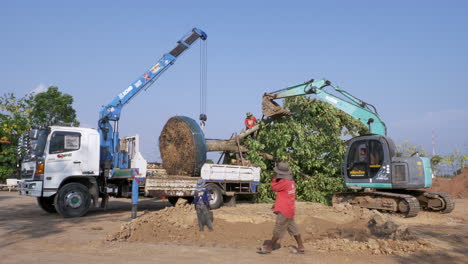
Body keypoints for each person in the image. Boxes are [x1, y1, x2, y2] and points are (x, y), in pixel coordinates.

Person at [257, 162, 305, 254]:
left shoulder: (284, 182)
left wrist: (275, 178)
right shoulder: (291, 182)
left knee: (278, 229)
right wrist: (276, 204)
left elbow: (273, 187)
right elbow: (286, 196)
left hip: (284, 210)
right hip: (289, 209)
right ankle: (301, 247)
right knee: (293, 228)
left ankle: (269, 248)